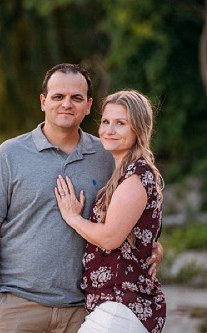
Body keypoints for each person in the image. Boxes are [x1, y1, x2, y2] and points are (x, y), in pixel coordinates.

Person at [0, 64, 163, 333]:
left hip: (82, 310)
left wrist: (155, 247)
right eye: (58, 96)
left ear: (87, 106)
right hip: (18, 307)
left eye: (76, 98)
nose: (66, 104)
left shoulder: (108, 154)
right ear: (43, 102)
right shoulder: (9, 155)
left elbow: (132, 215)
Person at [54, 89, 166, 333]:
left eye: (120, 123)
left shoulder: (136, 176)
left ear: (139, 128)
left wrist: (72, 217)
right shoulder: (124, 173)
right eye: (105, 122)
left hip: (120, 306)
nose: (109, 130)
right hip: (113, 306)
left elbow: (110, 237)